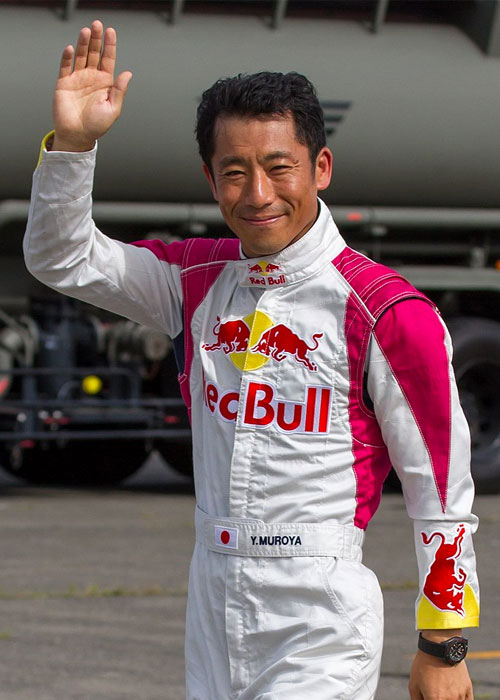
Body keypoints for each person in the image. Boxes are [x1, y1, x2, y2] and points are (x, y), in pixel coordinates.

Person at [24, 20, 479, 700]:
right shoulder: (191, 279)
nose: (258, 193)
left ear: (321, 168)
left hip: (319, 615)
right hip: (212, 605)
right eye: (235, 172)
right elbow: (61, 257)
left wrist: (444, 645)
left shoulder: (387, 311)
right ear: (211, 180)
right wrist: (73, 146)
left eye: (279, 167)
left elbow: (440, 486)